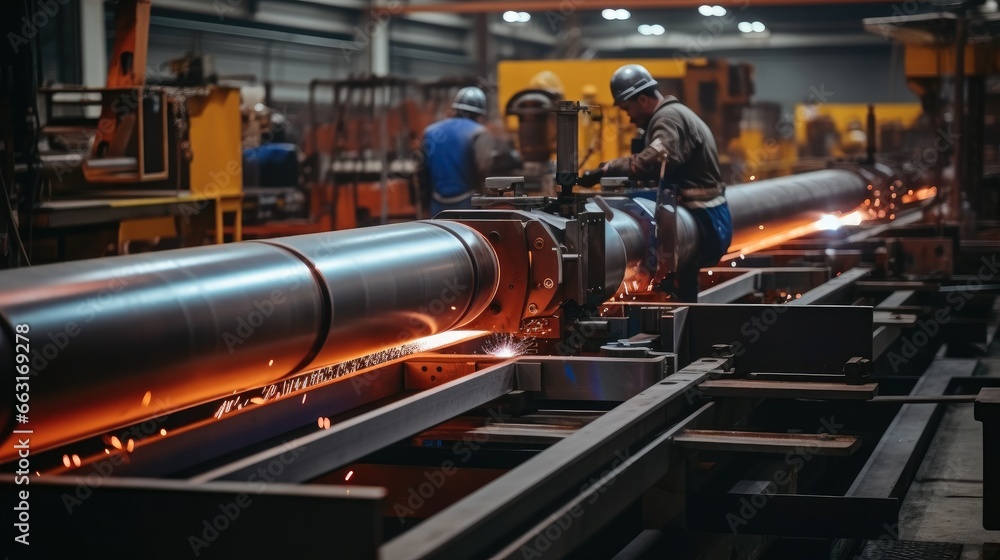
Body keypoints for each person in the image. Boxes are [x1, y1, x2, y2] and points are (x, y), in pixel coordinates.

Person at [601, 63, 733, 302]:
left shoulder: (667, 118)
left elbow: (654, 160)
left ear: (643, 100)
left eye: (627, 109)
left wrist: (609, 168)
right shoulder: (674, 114)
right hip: (705, 214)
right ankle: (684, 316)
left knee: (681, 291)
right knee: (681, 289)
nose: (629, 117)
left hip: (702, 216)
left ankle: (685, 320)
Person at [418, 86, 494, 216]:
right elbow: (484, 168)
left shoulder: (431, 131)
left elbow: (422, 171)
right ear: (480, 113)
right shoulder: (479, 132)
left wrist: (424, 203)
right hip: (468, 203)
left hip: (437, 204)